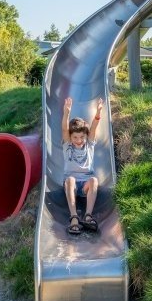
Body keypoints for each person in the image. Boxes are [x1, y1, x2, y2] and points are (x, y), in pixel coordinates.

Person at [61, 96, 103, 234]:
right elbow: (64, 129)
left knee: (94, 180)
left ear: (86, 136)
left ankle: (88, 216)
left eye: (82, 137)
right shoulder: (67, 145)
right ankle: (74, 217)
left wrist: (98, 113)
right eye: (75, 137)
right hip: (71, 184)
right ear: (70, 137)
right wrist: (66, 112)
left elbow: (94, 127)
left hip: (86, 184)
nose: (79, 140)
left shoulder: (89, 144)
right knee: (70, 179)